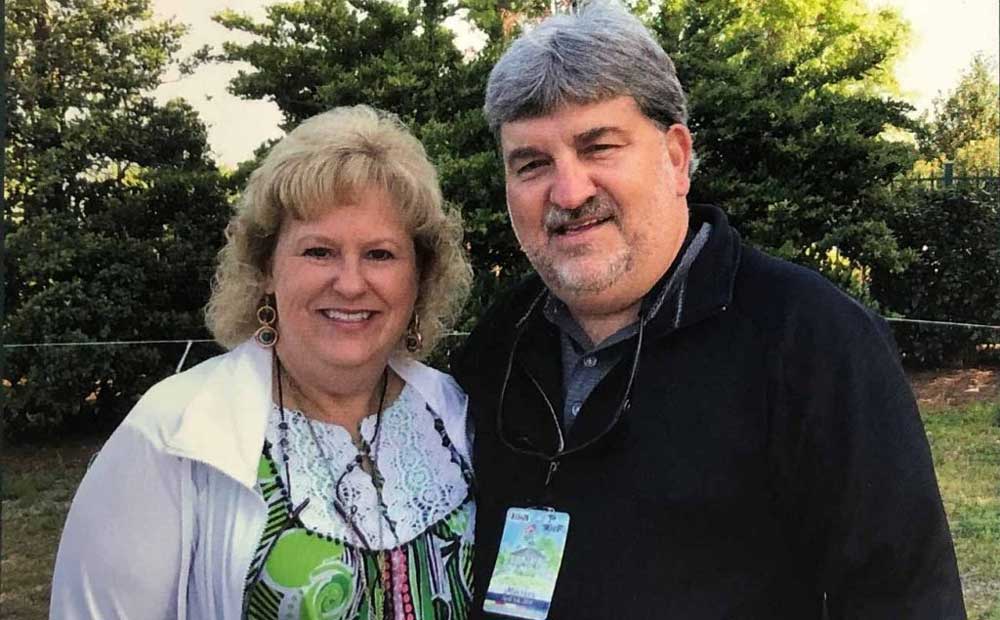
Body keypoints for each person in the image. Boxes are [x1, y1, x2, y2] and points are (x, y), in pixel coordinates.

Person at [452, 3, 966, 619]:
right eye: (532, 164)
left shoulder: (811, 341)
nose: (569, 191)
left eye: (599, 147)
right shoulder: (497, 347)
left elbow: (905, 599)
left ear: (675, 156)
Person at [51, 105, 475, 619]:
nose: (349, 282)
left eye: (380, 254)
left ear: (419, 278)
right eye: (319, 251)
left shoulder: (458, 417)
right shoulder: (172, 435)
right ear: (266, 268)